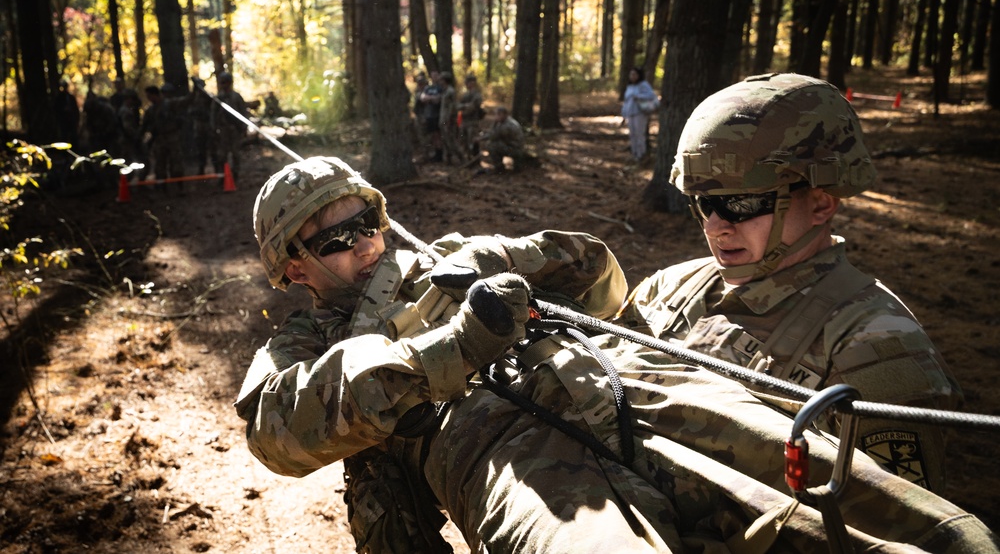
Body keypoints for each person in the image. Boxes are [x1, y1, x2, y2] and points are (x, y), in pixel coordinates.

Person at [235, 155, 996, 554]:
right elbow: (277, 432)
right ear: (292, 267)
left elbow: (603, 289)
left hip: (627, 382)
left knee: (856, 507)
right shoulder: (303, 342)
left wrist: (515, 258)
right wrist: (453, 344)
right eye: (334, 237)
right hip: (510, 463)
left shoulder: (447, 258)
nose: (364, 242)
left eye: (366, 218)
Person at [616, 72, 961, 493]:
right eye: (704, 202)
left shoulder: (876, 352)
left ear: (820, 203)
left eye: (741, 203)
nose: (716, 226)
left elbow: (894, 526)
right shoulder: (672, 287)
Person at [140, 84, 187, 189]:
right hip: (159, 139)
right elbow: (144, 126)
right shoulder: (150, 110)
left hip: (172, 137)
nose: (148, 98)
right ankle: (163, 187)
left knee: (176, 163)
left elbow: (185, 101)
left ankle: (180, 186)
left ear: (155, 95)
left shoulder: (169, 104)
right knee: (160, 164)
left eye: (149, 96)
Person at [212, 71, 249, 181]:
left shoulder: (236, 97)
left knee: (235, 154)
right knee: (222, 155)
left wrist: (243, 128)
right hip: (223, 131)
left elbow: (243, 112)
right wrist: (214, 129)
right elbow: (213, 115)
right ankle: (223, 176)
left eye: (225, 82)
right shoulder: (218, 99)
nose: (224, 85)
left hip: (235, 130)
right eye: (222, 82)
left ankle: (235, 175)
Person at [620, 66, 659, 163]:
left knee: (639, 134)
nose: (632, 76)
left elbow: (651, 95)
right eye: (631, 74)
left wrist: (638, 96)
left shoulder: (643, 85)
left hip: (640, 113)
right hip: (630, 113)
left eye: (634, 74)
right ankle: (635, 154)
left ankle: (641, 154)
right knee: (632, 134)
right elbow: (626, 101)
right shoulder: (629, 86)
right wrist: (624, 114)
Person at [481, 105, 526, 173]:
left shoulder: (507, 125)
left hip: (515, 149)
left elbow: (493, 136)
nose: (496, 116)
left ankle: (499, 168)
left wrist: (494, 123)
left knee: (492, 146)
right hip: (515, 147)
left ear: (505, 115)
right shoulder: (507, 121)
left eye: (499, 115)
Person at [437, 71, 462, 164]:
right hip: (443, 119)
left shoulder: (450, 91)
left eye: (441, 80)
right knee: (445, 140)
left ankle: (462, 158)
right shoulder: (445, 91)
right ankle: (448, 160)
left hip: (448, 120)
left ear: (445, 80)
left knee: (451, 140)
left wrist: (448, 120)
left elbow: (452, 107)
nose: (440, 82)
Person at [418, 71, 444, 162]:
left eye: (436, 76)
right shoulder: (428, 88)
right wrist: (431, 98)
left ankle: (440, 154)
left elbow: (438, 100)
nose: (434, 78)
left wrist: (430, 98)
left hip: (437, 115)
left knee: (438, 135)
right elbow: (422, 98)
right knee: (432, 135)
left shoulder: (440, 88)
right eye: (433, 76)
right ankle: (434, 154)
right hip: (429, 115)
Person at [457, 73, 484, 157]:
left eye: (468, 82)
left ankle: (475, 159)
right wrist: (465, 106)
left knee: (473, 141)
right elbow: (458, 106)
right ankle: (468, 158)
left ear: (473, 83)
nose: (467, 84)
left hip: (473, 122)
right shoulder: (465, 95)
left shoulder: (477, 95)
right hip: (465, 121)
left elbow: (472, 107)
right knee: (464, 141)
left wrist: (465, 108)